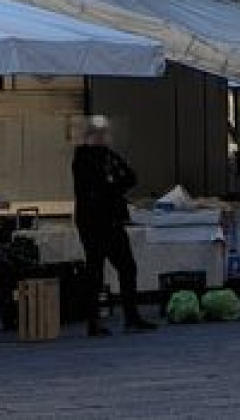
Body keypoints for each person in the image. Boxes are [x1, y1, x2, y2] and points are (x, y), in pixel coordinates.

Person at [72, 116, 155, 336]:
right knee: (96, 270)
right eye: (101, 134)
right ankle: (95, 321)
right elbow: (100, 185)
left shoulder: (108, 156)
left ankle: (131, 316)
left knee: (127, 267)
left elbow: (129, 176)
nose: (106, 137)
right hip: (93, 221)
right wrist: (113, 182)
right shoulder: (84, 158)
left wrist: (113, 182)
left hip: (110, 220)